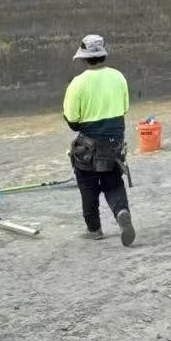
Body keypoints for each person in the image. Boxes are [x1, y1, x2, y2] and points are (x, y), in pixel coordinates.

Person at [62, 34, 136, 246]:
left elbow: (73, 121)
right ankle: (121, 212)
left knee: (87, 184)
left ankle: (94, 229)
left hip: (89, 145)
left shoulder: (77, 84)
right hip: (115, 143)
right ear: (102, 54)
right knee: (113, 181)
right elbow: (124, 108)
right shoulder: (118, 77)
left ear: (84, 58)